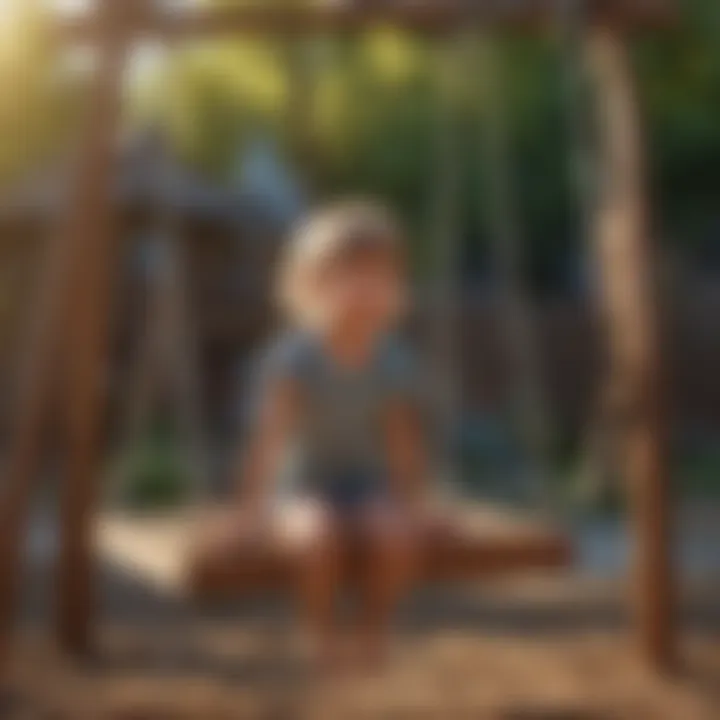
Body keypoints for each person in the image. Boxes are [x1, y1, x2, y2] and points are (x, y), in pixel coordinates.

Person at [235, 199, 431, 674]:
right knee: (316, 539)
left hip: (367, 485)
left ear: (396, 289)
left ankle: (373, 626)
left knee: (394, 535)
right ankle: (320, 630)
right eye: (350, 275)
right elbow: (270, 437)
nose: (367, 288)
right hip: (302, 486)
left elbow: (402, 441)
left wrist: (415, 506)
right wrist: (250, 513)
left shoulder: (393, 360)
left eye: (380, 276)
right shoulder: (294, 359)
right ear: (310, 287)